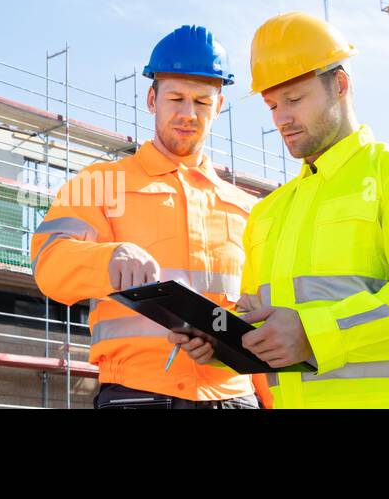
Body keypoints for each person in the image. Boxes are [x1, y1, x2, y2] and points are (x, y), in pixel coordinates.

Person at [170, 12, 389, 408]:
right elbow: (266, 331)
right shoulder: (269, 212)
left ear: (340, 84)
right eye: (272, 105)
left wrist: (316, 334)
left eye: (295, 99)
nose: (282, 119)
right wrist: (219, 342)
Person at [31, 25, 269, 409]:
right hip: (140, 394)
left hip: (235, 396)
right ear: (151, 98)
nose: (188, 114)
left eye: (202, 102)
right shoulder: (98, 182)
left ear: (219, 107)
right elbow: (49, 264)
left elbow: (262, 314)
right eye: (175, 98)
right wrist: (106, 258)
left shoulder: (246, 207)